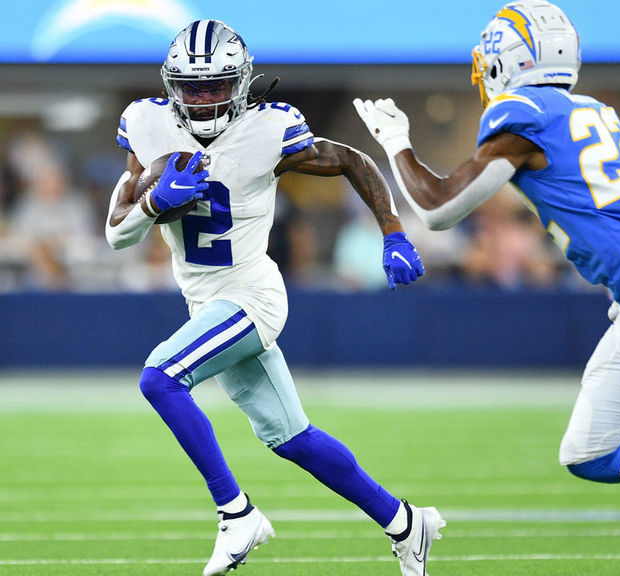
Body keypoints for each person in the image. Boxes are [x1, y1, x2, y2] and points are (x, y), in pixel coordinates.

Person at [355, 1, 620, 572]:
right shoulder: (592, 112)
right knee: (590, 453)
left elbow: (440, 208)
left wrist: (394, 142)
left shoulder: (524, 117)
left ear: (508, 61)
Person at [105, 19, 444, 576]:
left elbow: (352, 161)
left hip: (250, 296)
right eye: (193, 86)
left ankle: (236, 514)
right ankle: (407, 523)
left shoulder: (269, 130)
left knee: (159, 378)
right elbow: (117, 231)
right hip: (205, 301)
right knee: (294, 439)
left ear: (240, 84)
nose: (204, 97)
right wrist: (152, 202)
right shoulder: (146, 125)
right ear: (173, 85)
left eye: (216, 85)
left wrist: (394, 231)